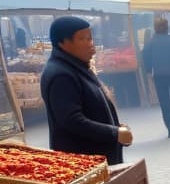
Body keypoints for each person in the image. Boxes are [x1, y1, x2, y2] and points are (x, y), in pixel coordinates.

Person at [40, 16, 132, 165]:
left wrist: (115, 128)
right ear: (64, 43)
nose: (91, 44)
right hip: (85, 164)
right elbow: (73, 120)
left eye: (91, 38)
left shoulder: (77, 66)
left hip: (99, 159)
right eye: (83, 39)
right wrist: (114, 133)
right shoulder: (61, 75)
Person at [142, 17, 170, 138]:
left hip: (159, 75)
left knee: (164, 102)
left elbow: (146, 59)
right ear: (167, 27)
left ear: (155, 28)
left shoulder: (151, 42)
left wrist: (148, 70)